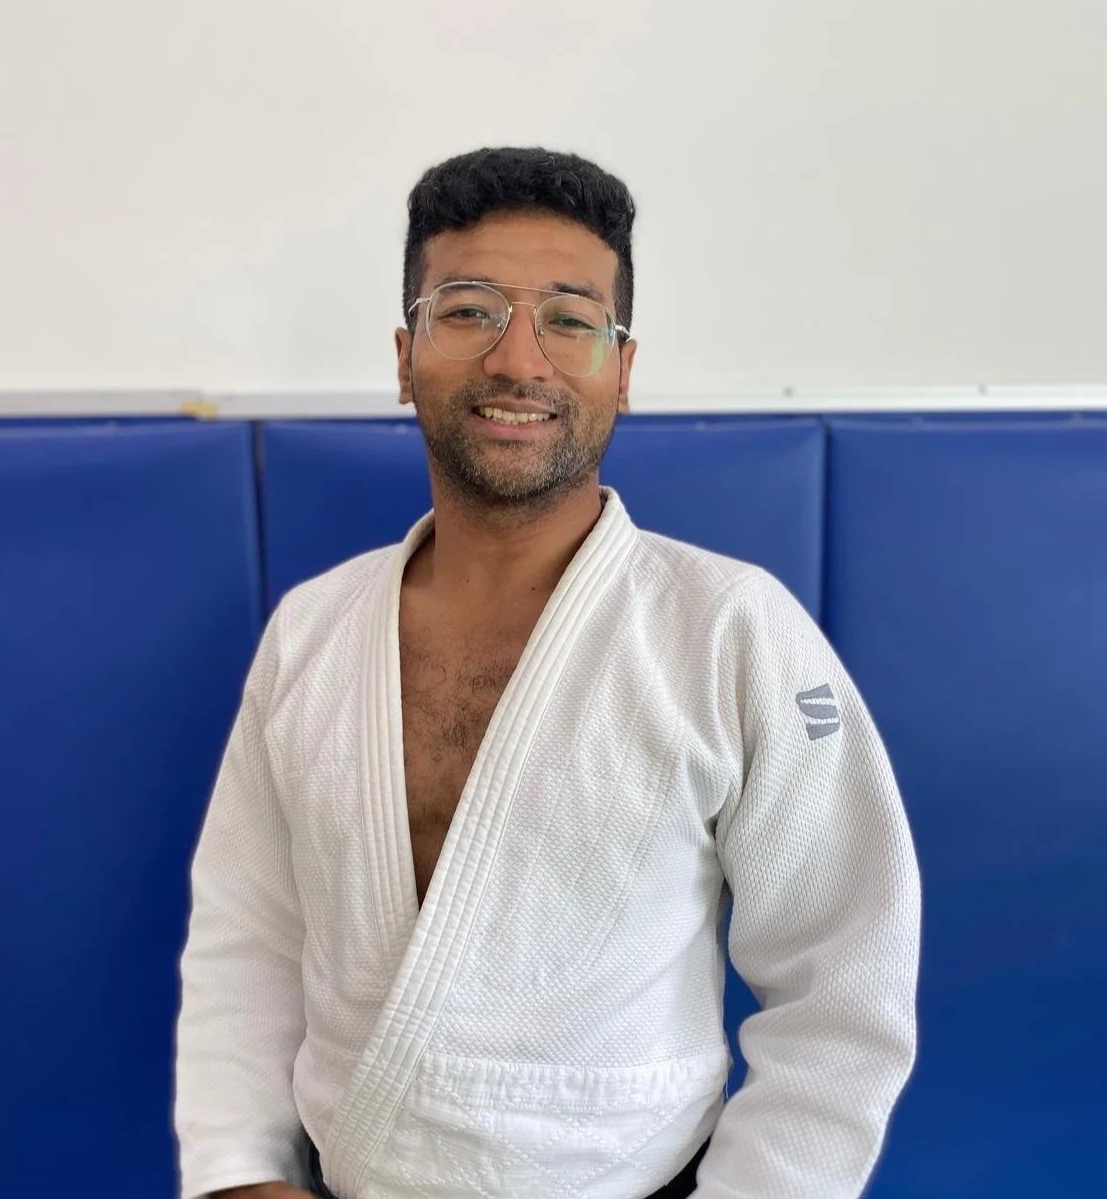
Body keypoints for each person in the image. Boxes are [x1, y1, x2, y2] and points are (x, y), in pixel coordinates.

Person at [174, 147, 921, 1199]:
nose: (517, 360)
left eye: (568, 318)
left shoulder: (728, 631)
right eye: (468, 309)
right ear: (404, 354)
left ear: (621, 365)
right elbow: (249, 933)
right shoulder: (311, 629)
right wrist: (238, 1171)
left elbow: (844, 980)